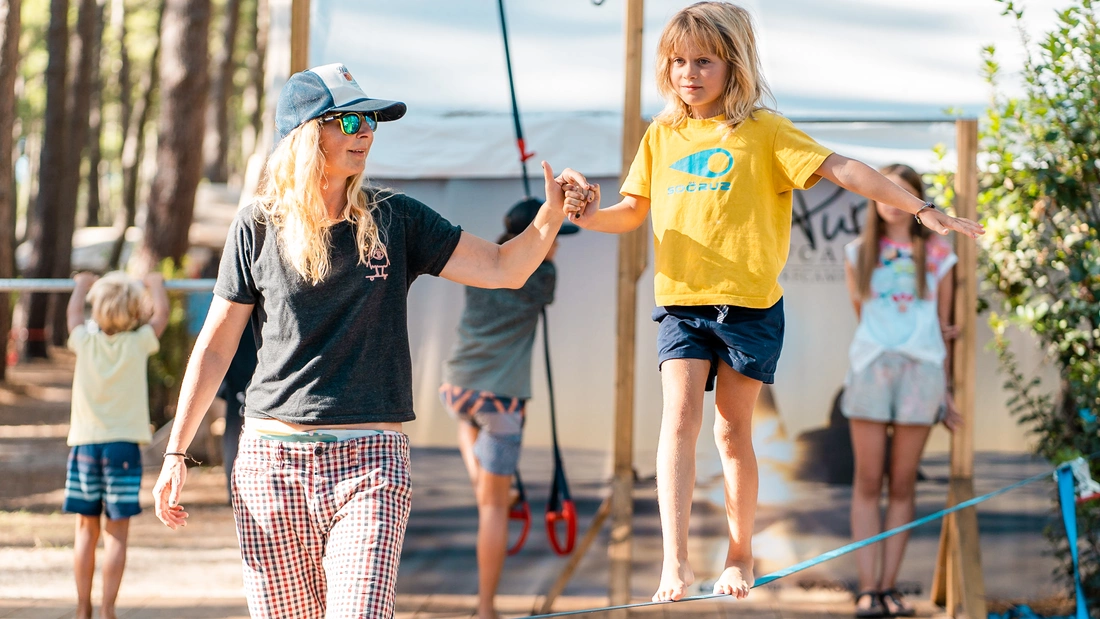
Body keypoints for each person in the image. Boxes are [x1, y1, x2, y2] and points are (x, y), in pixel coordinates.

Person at [555, 1, 984, 602]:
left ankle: (738, 554)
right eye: (677, 61)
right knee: (677, 420)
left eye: (703, 61)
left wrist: (920, 208)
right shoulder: (663, 134)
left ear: (734, 64)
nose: (688, 73)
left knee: (733, 434)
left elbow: (846, 170)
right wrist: (585, 213)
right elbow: (629, 214)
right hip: (682, 305)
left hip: (751, 310)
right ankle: (674, 564)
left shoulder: (766, 131)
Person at [150, 62, 570, 619]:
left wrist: (550, 216)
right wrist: (176, 451)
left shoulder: (397, 219)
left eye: (370, 121)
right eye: (349, 122)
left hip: (370, 464)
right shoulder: (255, 226)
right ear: (305, 134)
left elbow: (502, 267)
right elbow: (216, 346)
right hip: (270, 466)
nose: (366, 132)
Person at [439, 198, 578, 619]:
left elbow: (505, 264)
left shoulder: (481, 261)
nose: (555, 246)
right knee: (493, 509)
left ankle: (483, 478)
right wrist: (539, 252)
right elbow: (535, 277)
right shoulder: (544, 275)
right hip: (501, 400)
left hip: (456, 387)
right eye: (551, 235)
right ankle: (485, 609)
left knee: (467, 424)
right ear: (535, 234)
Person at [842, 164, 962, 617]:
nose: (892, 202)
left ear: (918, 203)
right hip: (872, 368)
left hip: (923, 371)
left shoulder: (938, 251)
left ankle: (889, 587)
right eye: (886, 192)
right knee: (868, 481)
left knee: (903, 482)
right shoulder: (857, 253)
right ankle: (867, 588)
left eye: (903, 194)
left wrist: (946, 392)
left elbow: (943, 325)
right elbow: (863, 318)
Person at [64, 271, 170, 619]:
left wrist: (80, 287)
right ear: (132, 311)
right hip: (122, 449)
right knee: (117, 534)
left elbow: (73, 316)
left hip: (85, 447)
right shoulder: (138, 341)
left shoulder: (84, 341)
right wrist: (155, 285)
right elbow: (161, 318)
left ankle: (83, 608)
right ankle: (108, 610)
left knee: (85, 528)